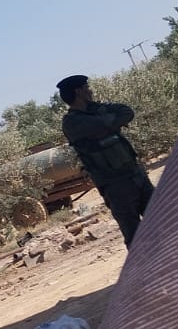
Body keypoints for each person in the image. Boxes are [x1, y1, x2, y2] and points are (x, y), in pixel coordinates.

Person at [56, 73, 154, 246]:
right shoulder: (72, 122)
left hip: (136, 175)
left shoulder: (96, 109)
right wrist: (110, 119)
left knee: (162, 220)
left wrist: (105, 116)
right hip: (115, 185)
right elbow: (103, 124)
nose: (91, 91)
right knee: (135, 237)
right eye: (87, 88)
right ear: (79, 92)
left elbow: (127, 111)